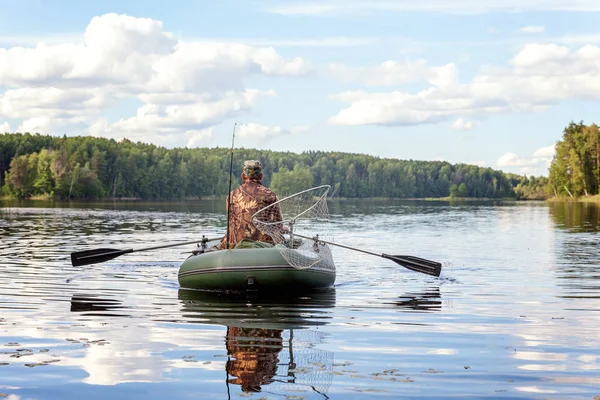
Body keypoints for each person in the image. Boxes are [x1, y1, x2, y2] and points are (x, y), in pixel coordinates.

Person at [217, 160, 284, 250]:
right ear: (260, 176)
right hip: (262, 246)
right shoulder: (271, 195)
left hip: (235, 245)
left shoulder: (231, 195)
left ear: (243, 176)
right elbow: (278, 224)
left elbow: (231, 221)